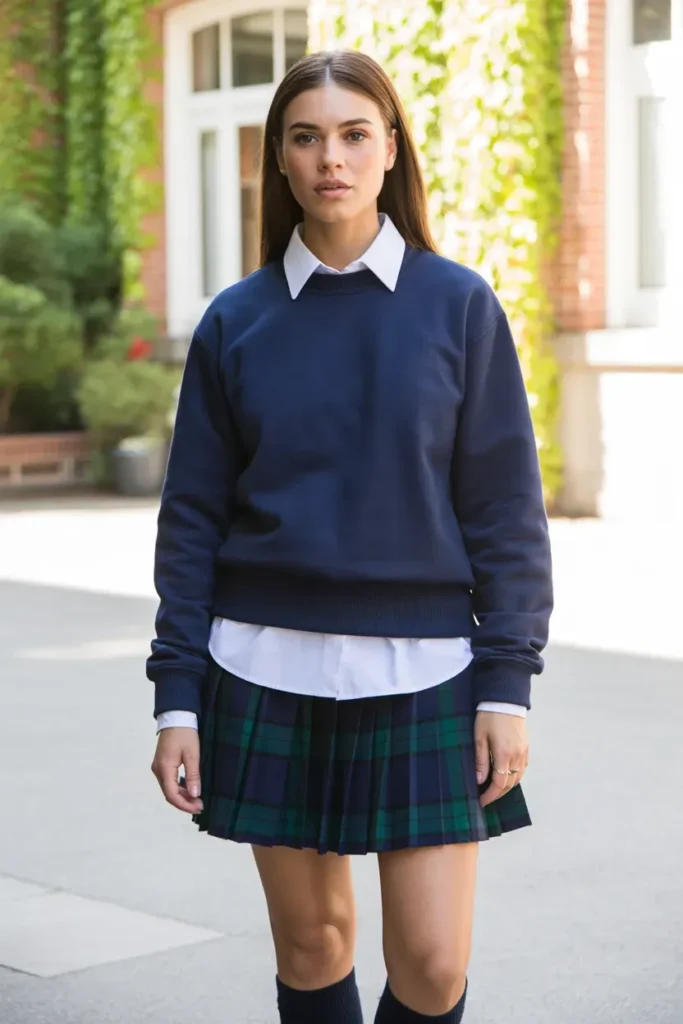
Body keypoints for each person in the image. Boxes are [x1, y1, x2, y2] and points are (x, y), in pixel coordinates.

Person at [148, 49, 552, 1024]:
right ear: (279, 159)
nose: (330, 157)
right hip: (261, 665)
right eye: (305, 137)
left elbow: (504, 509)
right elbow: (191, 521)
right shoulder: (233, 323)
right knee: (312, 944)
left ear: (390, 150)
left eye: (353, 134)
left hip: (427, 668)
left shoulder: (457, 305)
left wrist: (506, 683)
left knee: (432, 963)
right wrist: (175, 701)